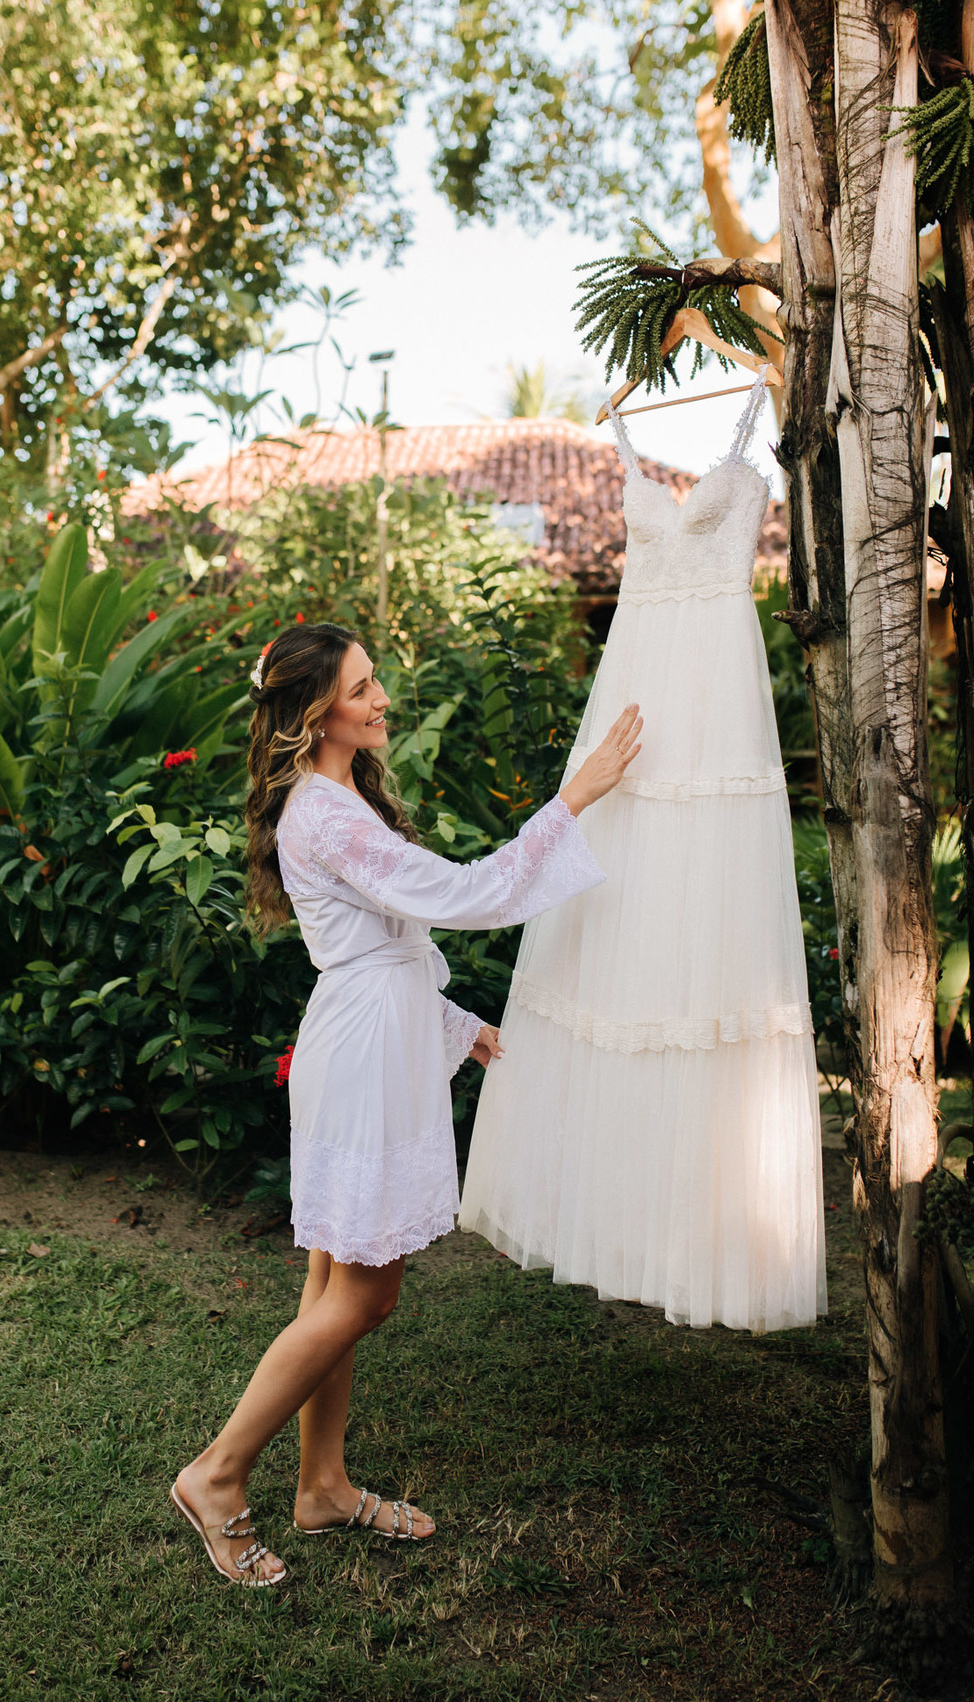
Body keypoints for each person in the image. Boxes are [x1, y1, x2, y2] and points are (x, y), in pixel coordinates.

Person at [172, 621, 641, 1586]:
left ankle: (322, 1488)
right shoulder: (329, 814)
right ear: (316, 714)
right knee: (367, 1292)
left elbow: (381, 939)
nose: (381, 696)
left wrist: (449, 1020)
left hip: (368, 1034)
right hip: (361, 1056)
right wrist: (575, 797)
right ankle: (217, 1475)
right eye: (361, 687)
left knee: (331, 1283)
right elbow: (469, 893)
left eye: (375, 678)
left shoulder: (334, 798)